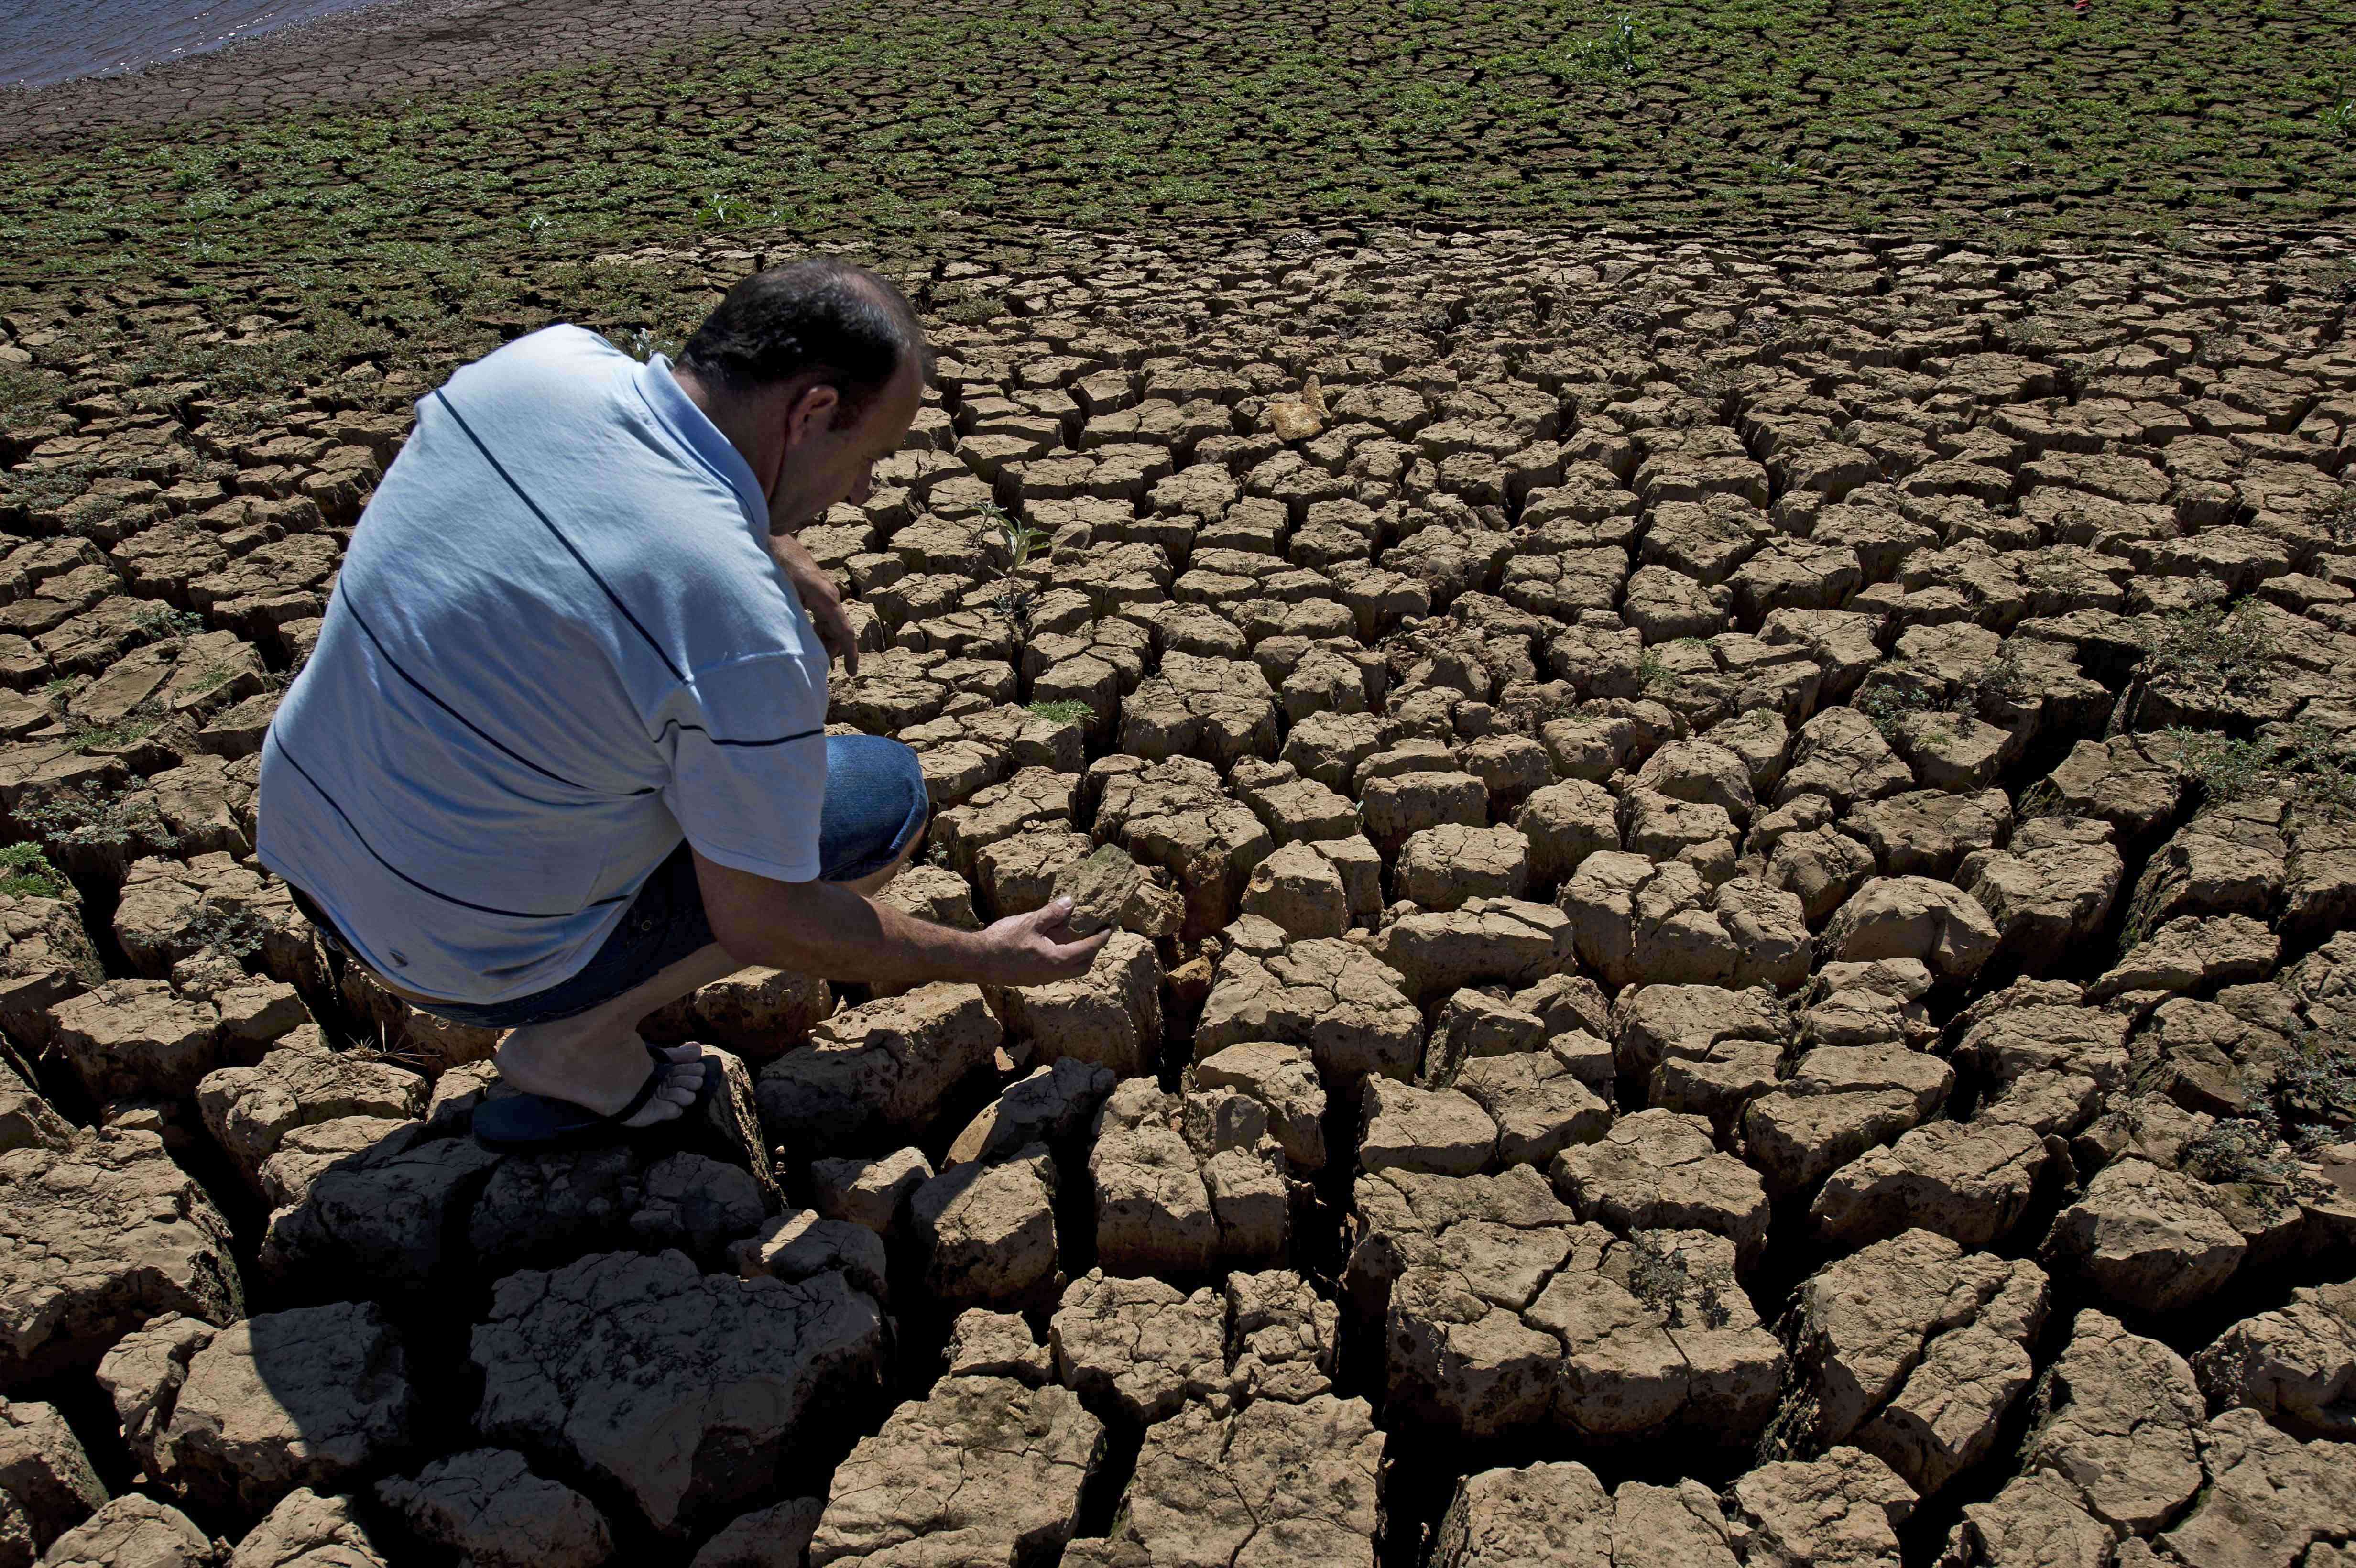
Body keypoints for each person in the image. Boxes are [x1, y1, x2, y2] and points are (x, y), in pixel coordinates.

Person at [256, 258, 1108, 1149]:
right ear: (813, 411)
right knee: (875, 795)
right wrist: (986, 957)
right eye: (870, 457)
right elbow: (767, 917)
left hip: (308, 844)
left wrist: (760, 535)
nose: (861, 492)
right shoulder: (738, 622)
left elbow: (620, 490)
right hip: (458, 956)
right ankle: (576, 1044)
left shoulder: (535, 368)